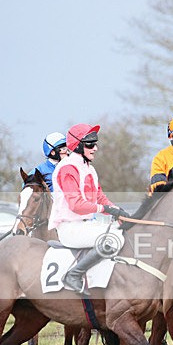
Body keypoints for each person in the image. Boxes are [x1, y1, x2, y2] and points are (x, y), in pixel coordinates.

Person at [49, 123, 130, 294]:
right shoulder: (67, 168)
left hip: (85, 225)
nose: (95, 148)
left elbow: (99, 197)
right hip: (69, 228)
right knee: (114, 238)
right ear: (77, 145)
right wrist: (105, 209)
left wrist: (118, 211)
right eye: (90, 144)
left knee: (124, 233)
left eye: (95, 143)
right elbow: (76, 205)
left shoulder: (89, 169)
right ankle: (73, 275)